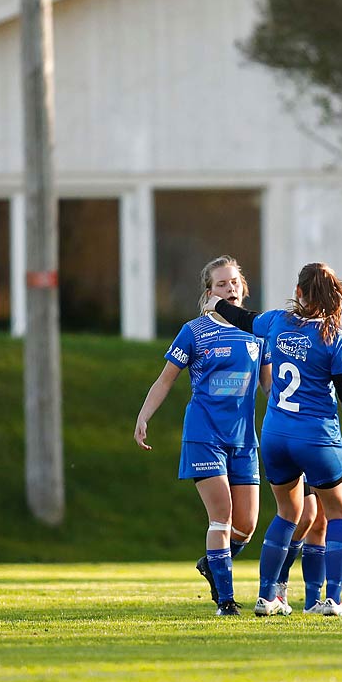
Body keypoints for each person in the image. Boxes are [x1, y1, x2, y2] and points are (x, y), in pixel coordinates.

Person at [212, 263, 342, 618]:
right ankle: (331, 600)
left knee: (288, 513)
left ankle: (265, 596)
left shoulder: (276, 322)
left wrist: (218, 304)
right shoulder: (334, 336)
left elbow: (244, 318)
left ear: (300, 293)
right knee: (339, 514)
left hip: (275, 436)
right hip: (317, 438)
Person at [134, 256, 263, 615]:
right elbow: (165, 380)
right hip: (204, 434)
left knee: (247, 524)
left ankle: (212, 563)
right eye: (222, 284)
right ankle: (226, 600)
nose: (230, 289)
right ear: (209, 293)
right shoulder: (194, 331)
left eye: (234, 283)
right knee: (221, 515)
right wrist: (144, 416)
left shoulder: (258, 331)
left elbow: (270, 385)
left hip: (244, 439)